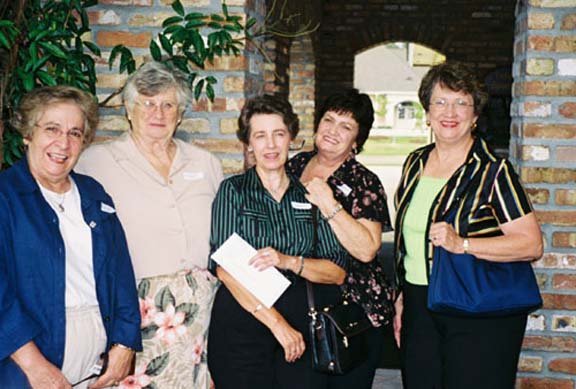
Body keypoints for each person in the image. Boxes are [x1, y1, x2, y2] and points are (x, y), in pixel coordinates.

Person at [393, 62, 543, 389]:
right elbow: (408, 243)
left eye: (462, 103)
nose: (451, 112)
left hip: (478, 309)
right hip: (420, 304)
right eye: (441, 102)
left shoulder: (493, 171)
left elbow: (531, 245)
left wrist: (461, 243)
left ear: (475, 116)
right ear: (428, 112)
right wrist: (402, 297)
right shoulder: (414, 163)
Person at [75, 61, 223, 389]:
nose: (158, 112)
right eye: (147, 103)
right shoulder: (95, 162)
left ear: (181, 113)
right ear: (128, 110)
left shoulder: (205, 163)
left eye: (168, 104)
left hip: (199, 316)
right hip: (131, 314)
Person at [0, 86, 142, 389]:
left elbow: (121, 276)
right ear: (27, 133)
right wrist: (35, 367)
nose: (63, 143)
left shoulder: (94, 193)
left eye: (75, 133)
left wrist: (124, 345)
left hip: (96, 373)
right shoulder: (5, 197)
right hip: (28, 368)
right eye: (52, 128)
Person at [207, 95, 351, 389]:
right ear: (248, 144)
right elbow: (225, 269)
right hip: (243, 323)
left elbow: (337, 272)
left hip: (302, 326)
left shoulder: (310, 196)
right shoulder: (232, 191)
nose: (270, 145)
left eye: (279, 134)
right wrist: (277, 325)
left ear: (292, 139)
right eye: (260, 136)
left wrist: (288, 261)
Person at [286, 88, 393, 388]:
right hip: (298, 305)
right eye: (329, 120)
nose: (333, 131)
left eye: (345, 126)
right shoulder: (291, 168)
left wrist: (329, 203)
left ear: (357, 140)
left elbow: (367, 250)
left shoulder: (364, 182)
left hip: (349, 313)